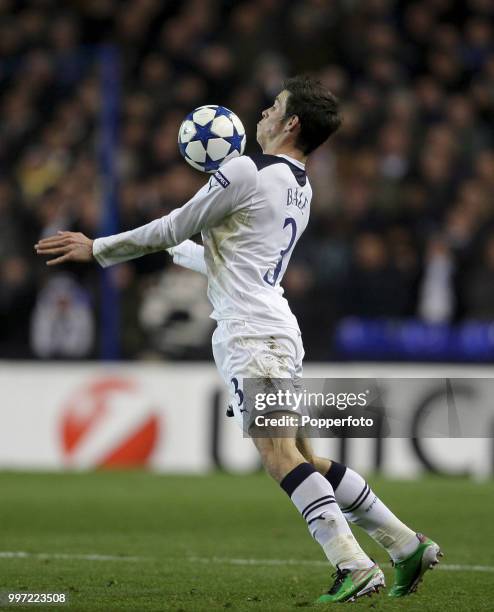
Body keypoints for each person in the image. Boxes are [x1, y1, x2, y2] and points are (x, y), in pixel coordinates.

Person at [35, 75, 441, 603]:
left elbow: (175, 224)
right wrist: (167, 248)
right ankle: (405, 544)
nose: (264, 112)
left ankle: (353, 564)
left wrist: (100, 247)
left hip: (252, 336)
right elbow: (225, 260)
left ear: (291, 122)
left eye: (274, 106)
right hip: (274, 330)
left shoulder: (246, 169)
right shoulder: (299, 183)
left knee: (279, 458)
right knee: (302, 458)